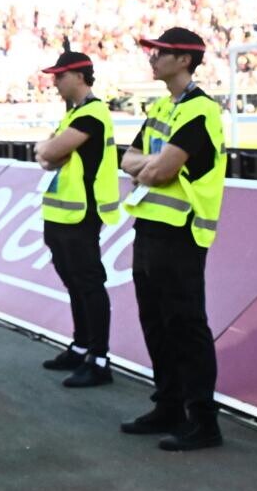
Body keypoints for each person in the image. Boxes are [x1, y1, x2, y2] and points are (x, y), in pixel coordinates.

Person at [120, 27, 227, 452]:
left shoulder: (201, 110)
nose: (153, 58)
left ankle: (202, 420)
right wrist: (151, 164)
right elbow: (129, 160)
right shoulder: (164, 107)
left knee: (185, 325)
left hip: (181, 232)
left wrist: (151, 166)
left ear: (184, 60)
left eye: (160, 52)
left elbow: (161, 171)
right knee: (156, 322)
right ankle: (168, 405)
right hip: (149, 228)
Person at [33, 47, 120, 388]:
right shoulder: (76, 115)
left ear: (80, 76)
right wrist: (49, 150)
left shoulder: (92, 114)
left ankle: (99, 359)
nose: (55, 82)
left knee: (88, 283)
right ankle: (82, 346)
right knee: (75, 282)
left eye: (60, 76)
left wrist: (49, 149)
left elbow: (49, 151)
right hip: (63, 213)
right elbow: (47, 156)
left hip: (82, 213)